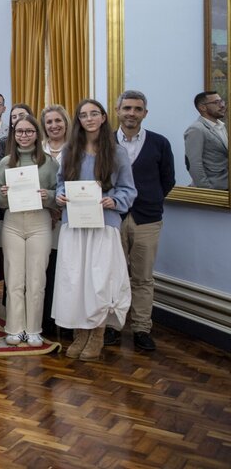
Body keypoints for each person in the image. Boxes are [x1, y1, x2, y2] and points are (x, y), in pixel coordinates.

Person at [54, 99, 136, 362]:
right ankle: (80, 333)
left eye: (94, 114)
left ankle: (97, 333)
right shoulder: (69, 151)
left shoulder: (117, 152)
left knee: (99, 281)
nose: (89, 119)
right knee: (74, 280)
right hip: (74, 225)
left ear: (103, 117)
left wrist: (115, 200)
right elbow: (59, 184)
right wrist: (61, 196)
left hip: (104, 225)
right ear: (78, 120)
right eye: (83, 115)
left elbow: (128, 189)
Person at [105, 90, 175, 352]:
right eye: (127, 108)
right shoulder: (106, 143)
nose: (131, 113)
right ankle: (112, 326)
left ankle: (141, 329)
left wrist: (151, 200)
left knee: (143, 277)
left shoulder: (159, 143)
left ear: (145, 113)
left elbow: (167, 179)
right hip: (113, 218)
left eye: (137, 109)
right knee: (114, 275)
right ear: (117, 111)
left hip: (147, 219)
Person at [0, 115, 57, 347]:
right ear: (14, 135)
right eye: (20, 131)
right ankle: (14, 328)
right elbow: (0, 203)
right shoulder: (6, 162)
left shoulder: (50, 162)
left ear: (36, 134)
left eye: (29, 131)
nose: (24, 135)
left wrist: (48, 196)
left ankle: (33, 329)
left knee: (36, 278)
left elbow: (58, 196)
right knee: (13, 277)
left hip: (39, 222)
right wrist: (3, 193)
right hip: (13, 222)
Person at [39, 103, 71, 334]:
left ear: (66, 122)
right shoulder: (38, 150)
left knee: (68, 271)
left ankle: (67, 321)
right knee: (46, 271)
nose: (54, 125)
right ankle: (47, 322)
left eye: (58, 120)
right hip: (43, 219)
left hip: (70, 220)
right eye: (49, 122)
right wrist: (50, 205)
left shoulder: (76, 149)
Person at [184, 90, 228, 189]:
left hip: (226, 189)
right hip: (214, 190)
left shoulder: (221, 126)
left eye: (222, 101)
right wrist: (207, 190)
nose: (222, 105)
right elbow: (194, 164)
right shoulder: (196, 129)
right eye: (216, 102)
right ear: (202, 107)